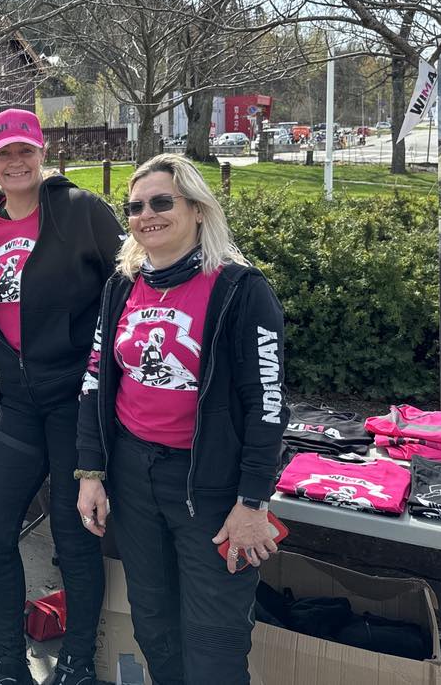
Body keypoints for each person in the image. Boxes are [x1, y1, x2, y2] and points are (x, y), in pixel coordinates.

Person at [76, 153, 288, 685]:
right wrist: (91, 472)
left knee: (215, 640)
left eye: (161, 202)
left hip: (209, 485)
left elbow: (267, 404)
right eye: (135, 207)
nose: (147, 214)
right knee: (153, 625)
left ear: (196, 209)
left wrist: (253, 502)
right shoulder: (121, 286)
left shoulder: (241, 289)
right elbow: (96, 381)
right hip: (133, 475)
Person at [0, 109, 122, 685]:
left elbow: (129, 290)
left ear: (42, 153)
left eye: (25, 151)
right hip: (20, 400)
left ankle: (78, 663)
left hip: (77, 400)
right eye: (4, 154)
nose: (16, 162)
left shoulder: (82, 211)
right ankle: (8, 660)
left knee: (74, 533)